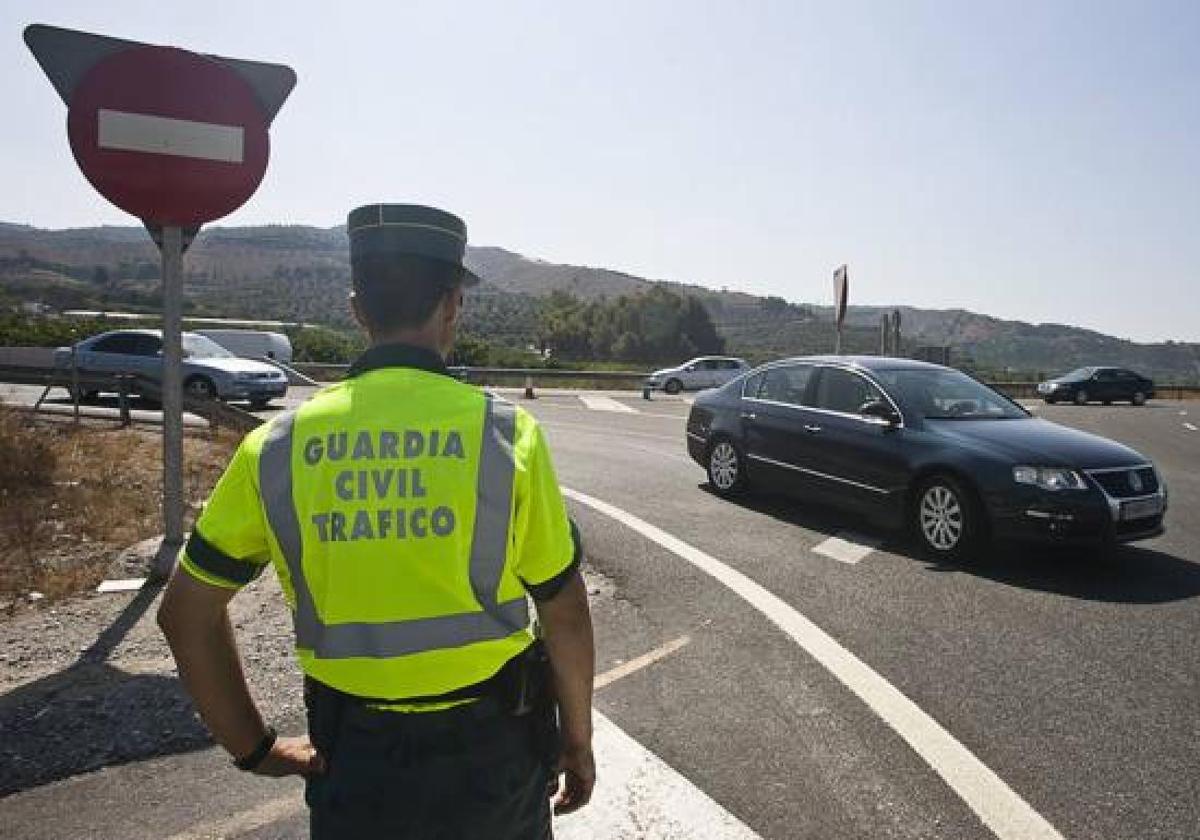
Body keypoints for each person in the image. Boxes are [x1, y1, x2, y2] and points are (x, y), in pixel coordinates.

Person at [158, 203, 596, 838]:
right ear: (452, 306)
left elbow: (184, 616)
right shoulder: (506, 435)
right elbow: (563, 610)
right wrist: (576, 740)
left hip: (353, 759)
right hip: (492, 759)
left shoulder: (276, 448)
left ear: (358, 308)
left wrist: (257, 748)